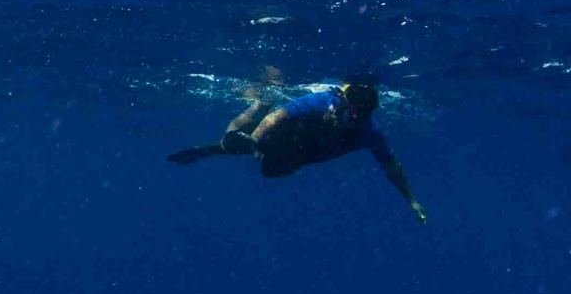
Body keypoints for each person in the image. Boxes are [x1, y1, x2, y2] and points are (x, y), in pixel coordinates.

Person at [167, 78, 427, 222]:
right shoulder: (323, 101)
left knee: (254, 156)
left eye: (359, 117)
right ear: (344, 103)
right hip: (293, 132)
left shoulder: (368, 132)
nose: (353, 120)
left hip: (306, 147)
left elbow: (391, 166)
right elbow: (275, 119)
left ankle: (226, 147)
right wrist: (253, 141)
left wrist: (411, 200)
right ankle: (261, 101)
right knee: (241, 135)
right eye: (351, 113)